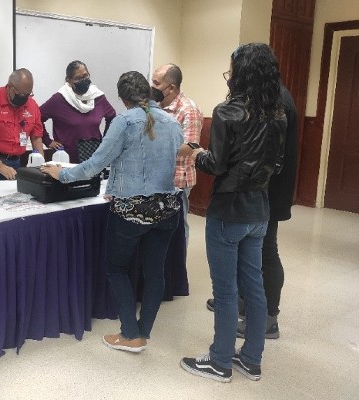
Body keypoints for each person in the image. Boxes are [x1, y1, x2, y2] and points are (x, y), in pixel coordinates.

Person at [41, 71, 183, 353]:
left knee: (116, 268)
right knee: (155, 273)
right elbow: (158, 162)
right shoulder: (172, 121)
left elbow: (95, 164)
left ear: (122, 98)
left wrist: (63, 175)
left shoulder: (124, 121)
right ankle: (144, 332)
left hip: (131, 211)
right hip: (167, 208)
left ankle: (130, 334)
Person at [180, 43, 287, 382]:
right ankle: (251, 359)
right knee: (253, 287)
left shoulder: (227, 112)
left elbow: (216, 164)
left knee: (225, 291)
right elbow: (277, 164)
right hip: (260, 210)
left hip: (228, 212)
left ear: (240, 74)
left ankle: (220, 362)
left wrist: (196, 152)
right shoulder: (278, 113)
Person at [206, 84, 298, 340]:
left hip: (264, 192)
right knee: (252, 256)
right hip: (260, 190)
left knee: (266, 253)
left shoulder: (276, 101)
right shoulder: (268, 98)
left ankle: (269, 317)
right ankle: (244, 304)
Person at [151, 63, 203, 246]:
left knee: (178, 226)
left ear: (171, 87)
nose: (152, 87)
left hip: (178, 180)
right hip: (154, 177)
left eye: (156, 83)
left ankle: (177, 266)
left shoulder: (189, 109)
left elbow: (190, 147)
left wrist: (157, 147)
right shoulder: (154, 106)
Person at [40, 60, 116, 163]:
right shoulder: (59, 99)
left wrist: (105, 142)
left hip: (93, 160)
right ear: (69, 80)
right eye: (78, 78)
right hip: (67, 161)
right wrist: (47, 141)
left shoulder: (98, 97)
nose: (83, 80)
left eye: (85, 76)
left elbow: (112, 116)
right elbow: (37, 118)